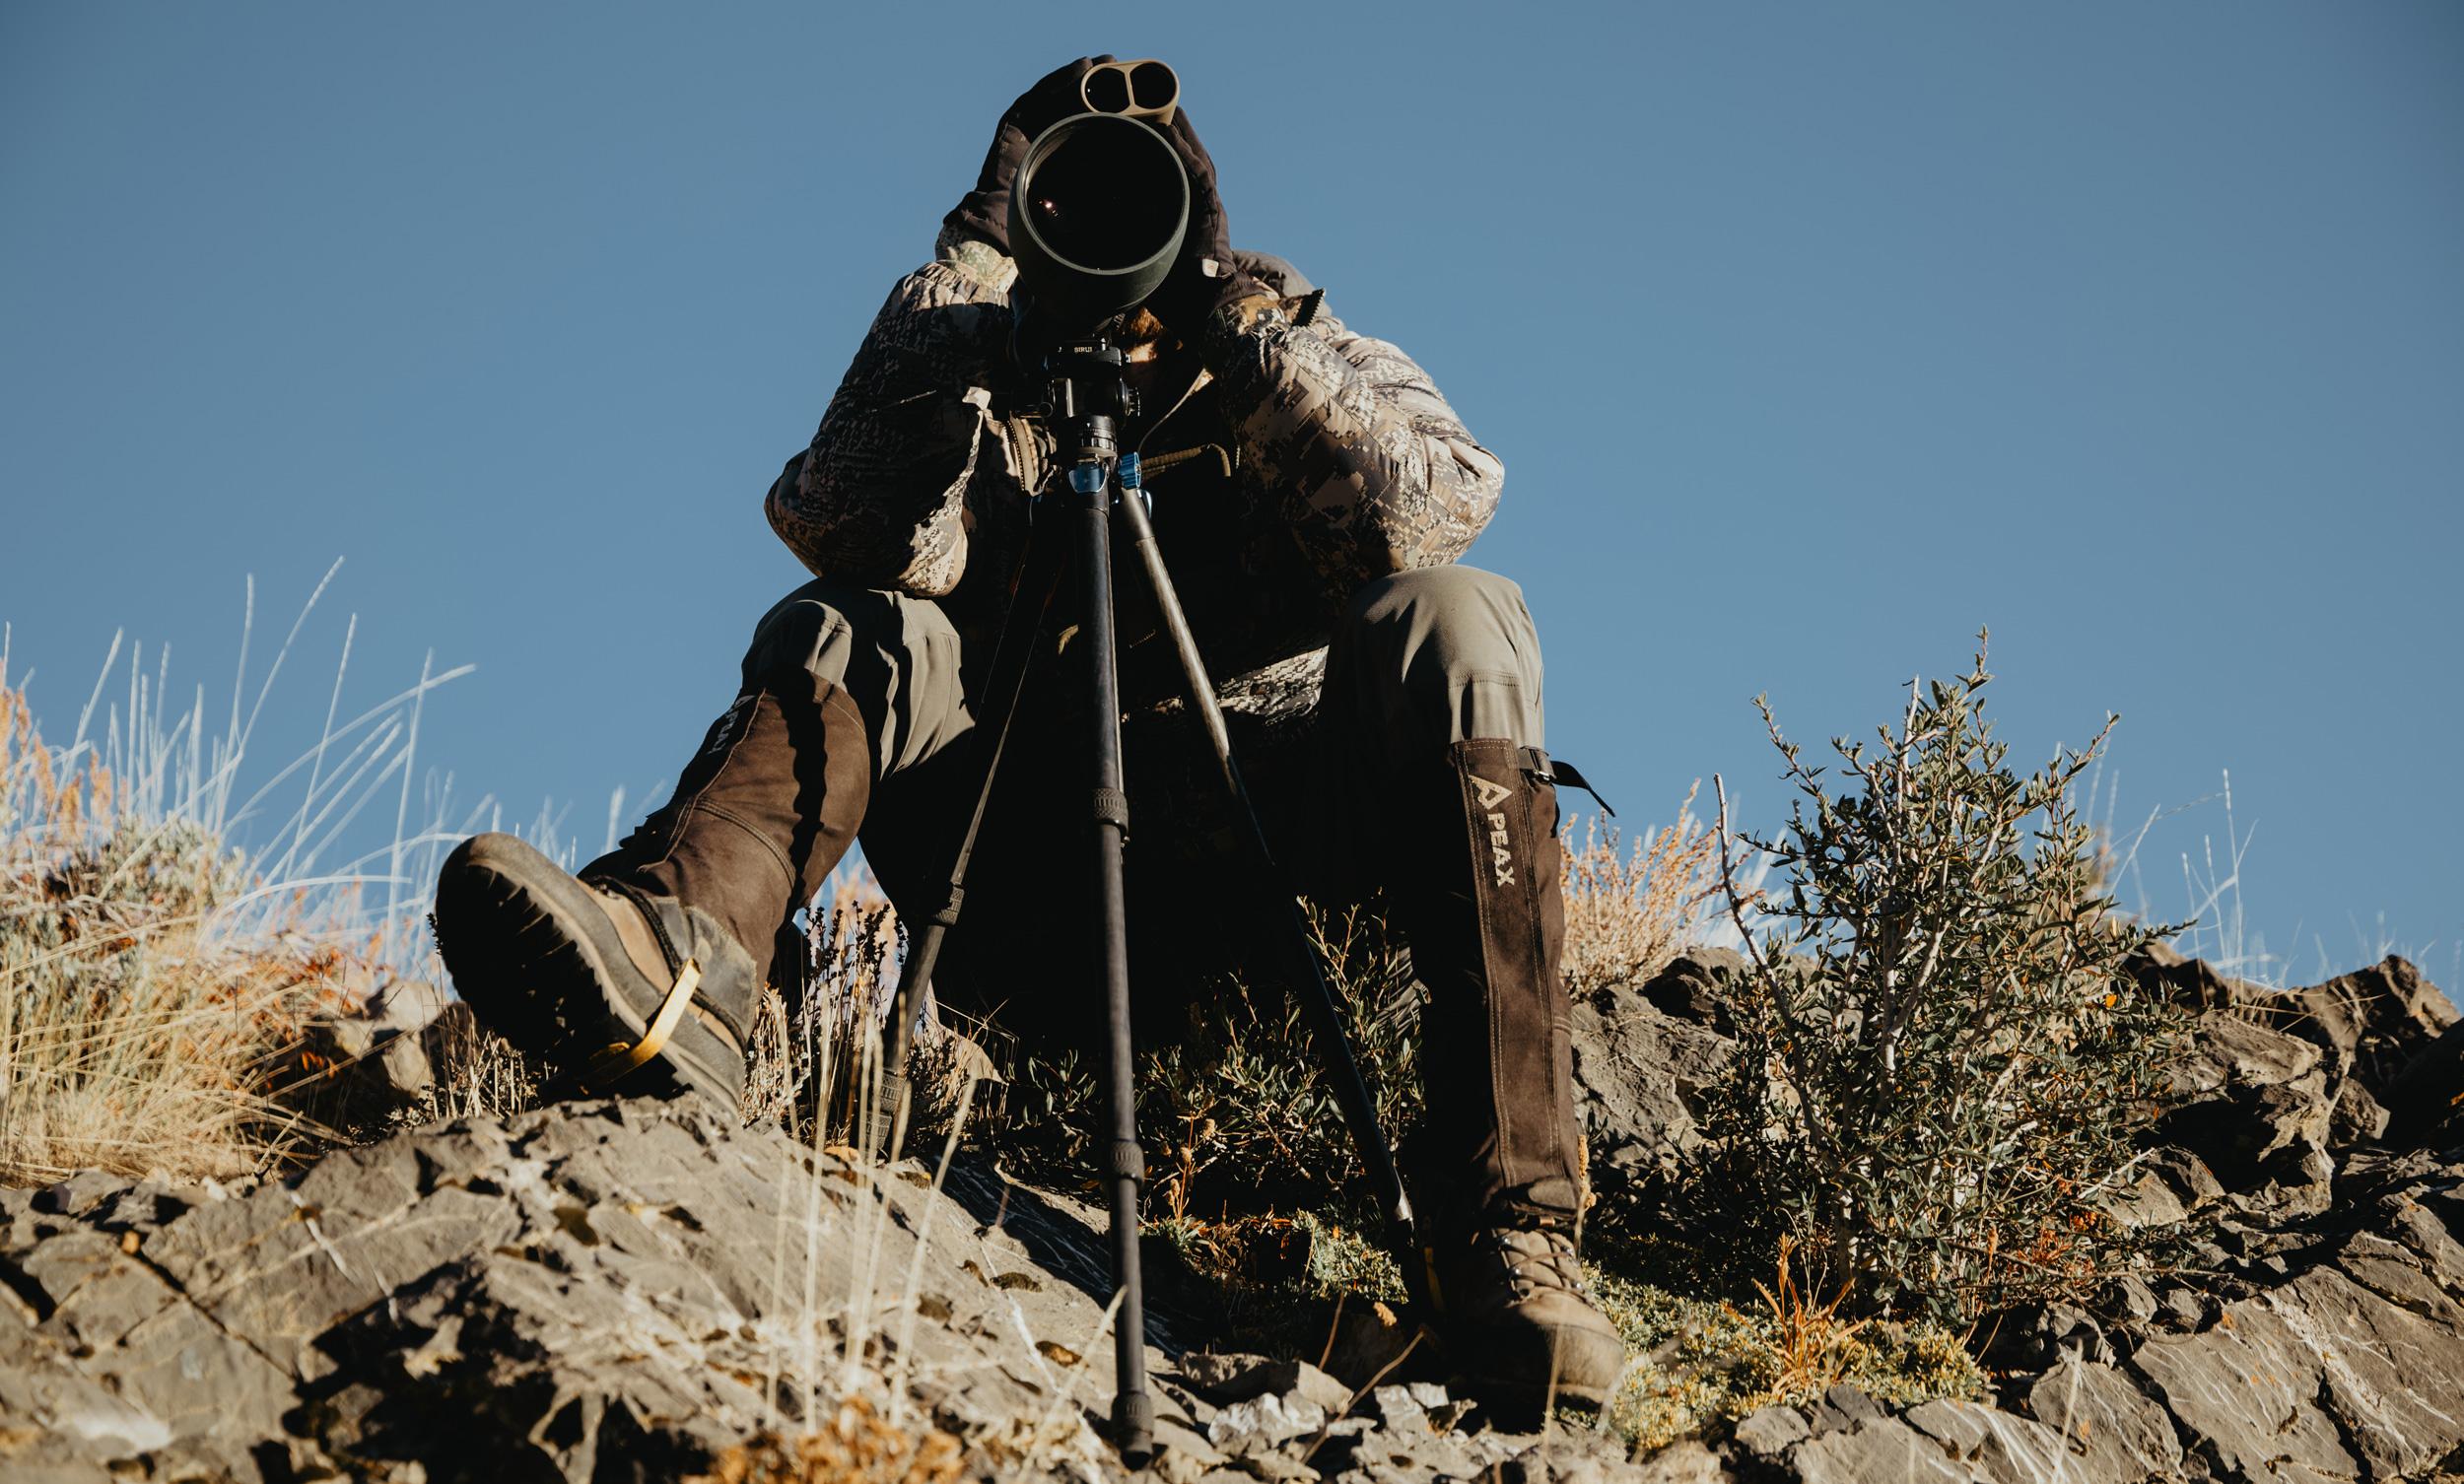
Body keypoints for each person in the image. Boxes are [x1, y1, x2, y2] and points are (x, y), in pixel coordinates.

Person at [432, 57, 1623, 1409]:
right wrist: (975, 292)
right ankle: (679, 961)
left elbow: (1428, 511)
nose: (1104, 234)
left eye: (1136, 198)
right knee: (862, 619)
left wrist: (1224, 320)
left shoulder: (1279, 333)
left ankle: (1510, 1242)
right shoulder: (980, 373)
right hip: (1025, 877)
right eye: (1067, 198)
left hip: (1268, 876)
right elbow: (840, 521)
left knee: (1464, 619)